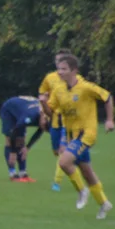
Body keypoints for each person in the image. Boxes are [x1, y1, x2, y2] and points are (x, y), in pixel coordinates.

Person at [47, 53, 115, 219]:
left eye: (63, 69)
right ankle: (104, 204)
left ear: (74, 70)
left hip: (86, 134)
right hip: (71, 136)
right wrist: (43, 105)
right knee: (87, 172)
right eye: (58, 69)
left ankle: (82, 191)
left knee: (64, 162)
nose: (60, 72)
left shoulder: (86, 88)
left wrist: (110, 120)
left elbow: (107, 97)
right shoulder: (58, 90)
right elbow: (51, 111)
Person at [38, 50, 78, 191]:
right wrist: (43, 114)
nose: (58, 64)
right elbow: (43, 94)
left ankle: (57, 182)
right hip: (54, 119)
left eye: (61, 61)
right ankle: (71, 163)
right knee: (56, 151)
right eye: (57, 61)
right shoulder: (50, 78)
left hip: (69, 120)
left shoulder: (76, 79)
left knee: (62, 150)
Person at [0, 95, 49, 182]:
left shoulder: (48, 116)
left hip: (22, 110)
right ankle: (12, 173)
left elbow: (40, 131)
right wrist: (13, 152)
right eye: (43, 125)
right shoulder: (30, 116)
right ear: (42, 118)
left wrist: (27, 147)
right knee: (10, 140)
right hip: (9, 110)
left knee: (21, 142)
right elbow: (16, 130)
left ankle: (23, 173)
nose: (42, 127)